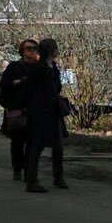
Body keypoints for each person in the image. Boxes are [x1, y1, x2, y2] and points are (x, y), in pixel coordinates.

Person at [23, 38, 68, 193]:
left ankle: (58, 177)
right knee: (38, 145)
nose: (57, 50)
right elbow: (30, 89)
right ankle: (31, 181)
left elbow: (57, 87)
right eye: (55, 48)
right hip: (41, 111)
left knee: (58, 145)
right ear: (49, 50)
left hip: (54, 110)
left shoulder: (53, 67)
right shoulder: (38, 68)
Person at [0, 38, 39, 181]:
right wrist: (19, 82)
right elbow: (3, 86)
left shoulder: (39, 67)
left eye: (34, 48)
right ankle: (17, 169)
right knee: (17, 143)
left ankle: (29, 171)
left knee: (33, 142)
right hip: (17, 110)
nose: (32, 51)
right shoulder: (14, 67)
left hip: (34, 111)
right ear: (22, 51)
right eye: (29, 48)